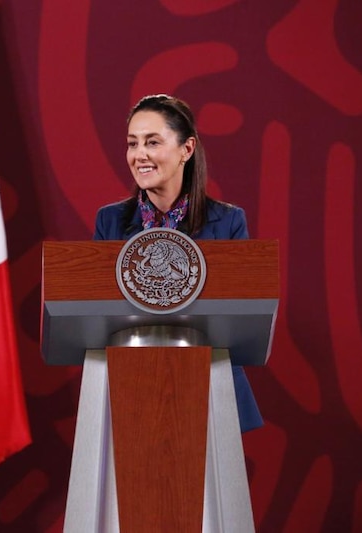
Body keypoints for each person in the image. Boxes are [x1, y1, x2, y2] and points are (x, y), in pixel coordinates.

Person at [94, 93, 262, 432]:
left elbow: (244, 318)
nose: (139, 155)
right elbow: (94, 311)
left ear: (186, 149)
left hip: (211, 386)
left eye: (152, 142)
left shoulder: (227, 222)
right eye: (132, 143)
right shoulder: (110, 221)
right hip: (132, 387)